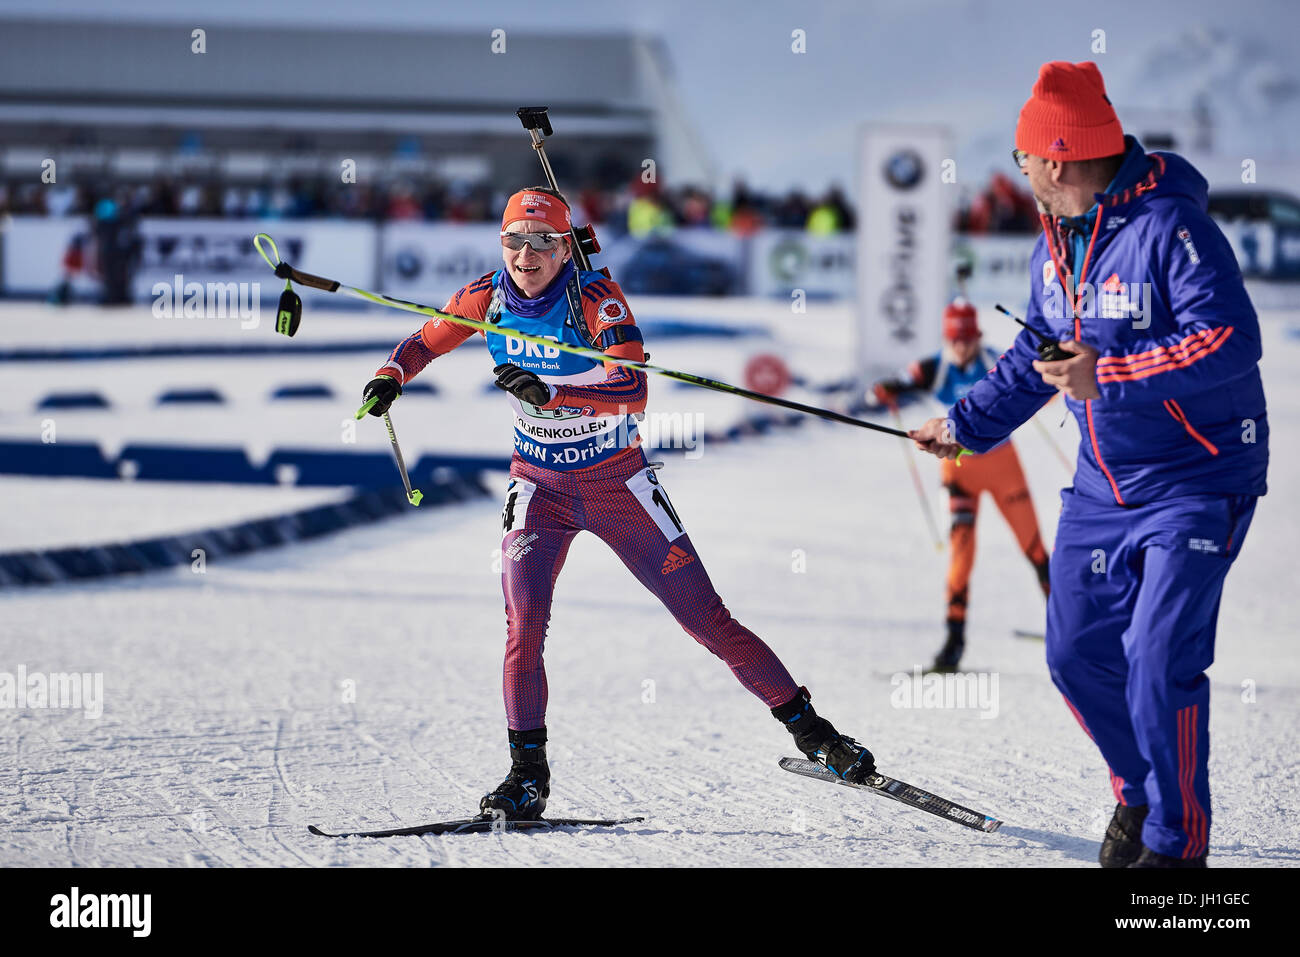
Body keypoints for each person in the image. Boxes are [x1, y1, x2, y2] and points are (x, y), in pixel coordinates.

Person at [362, 186, 875, 819]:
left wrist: (555, 398)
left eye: (543, 242)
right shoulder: (484, 298)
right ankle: (527, 777)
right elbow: (425, 338)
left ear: (562, 248)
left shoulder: (595, 300)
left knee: (706, 621)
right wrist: (390, 377)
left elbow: (632, 390)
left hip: (617, 485)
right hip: (539, 489)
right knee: (523, 625)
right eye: (515, 241)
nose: (527, 255)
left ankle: (817, 735)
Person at [910, 62, 1268, 867]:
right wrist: (963, 426)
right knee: (1074, 657)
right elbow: (1033, 365)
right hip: (1103, 487)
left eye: (1025, 157)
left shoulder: (1174, 229)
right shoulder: (1055, 251)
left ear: (1059, 160)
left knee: (1157, 660)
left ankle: (1177, 856)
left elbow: (1230, 340)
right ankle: (1142, 792)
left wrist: (1112, 374)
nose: (1022, 171)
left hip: (1197, 480)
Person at [872, 299, 1050, 673]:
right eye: (955, 339)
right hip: (959, 472)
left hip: (1004, 467)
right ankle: (953, 644)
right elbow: (897, 384)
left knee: (1033, 546)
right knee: (961, 555)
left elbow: (1030, 378)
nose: (962, 346)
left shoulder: (995, 360)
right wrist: (886, 391)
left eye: (967, 338)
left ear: (978, 336)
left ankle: (1063, 625)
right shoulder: (932, 366)